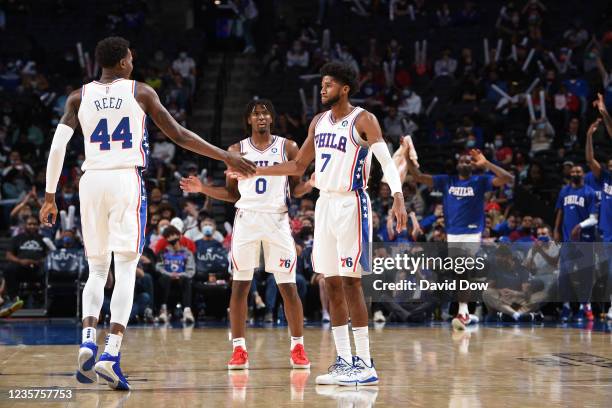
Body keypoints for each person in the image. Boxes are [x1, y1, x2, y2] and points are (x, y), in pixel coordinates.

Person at [38, 36, 256, 391]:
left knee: (96, 268)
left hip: (90, 181)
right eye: (131, 57)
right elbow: (181, 135)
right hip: (125, 179)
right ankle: (110, 353)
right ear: (124, 62)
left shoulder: (78, 96)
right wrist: (226, 156)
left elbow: (58, 146)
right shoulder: (141, 93)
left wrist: (49, 197)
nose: (133, 61)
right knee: (125, 269)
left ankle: (88, 338)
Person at [230, 62, 408, 386]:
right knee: (331, 282)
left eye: (328, 84)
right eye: (322, 84)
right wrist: (255, 170)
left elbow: (385, 159)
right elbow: (298, 164)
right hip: (324, 203)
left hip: (352, 202)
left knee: (353, 282)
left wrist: (398, 196)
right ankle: (342, 360)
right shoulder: (318, 122)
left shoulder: (363, 119)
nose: (323, 89)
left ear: (345, 88)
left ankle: (365, 362)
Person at [180, 99, 312, 370]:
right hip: (247, 220)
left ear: (272, 119)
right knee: (240, 286)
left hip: (277, 219)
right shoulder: (235, 150)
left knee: (288, 286)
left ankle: (297, 346)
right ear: (248, 120)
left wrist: (309, 185)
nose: (261, 117)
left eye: (265, 113)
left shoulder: (288, 147)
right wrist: (202, 188)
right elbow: (231, 194)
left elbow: (295, 189)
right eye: (255, 114)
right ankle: (239, 349)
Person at [405, 146, 515, 330]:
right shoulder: (447, 181)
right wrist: (407, 158)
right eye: (462, 161)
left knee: (463, 270)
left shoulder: (480, 180)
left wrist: (486, 163)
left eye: (468, 161)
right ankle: (466, 311)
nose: (465, 163)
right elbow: (418, 177)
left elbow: (508, 178)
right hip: (453, 232)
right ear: (457, 165)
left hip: (472, 231)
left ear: (473, 165)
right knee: (459, 273)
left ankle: (463, 312)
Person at [554, 164, 597, 323]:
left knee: (584, 276)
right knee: (564, 275)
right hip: (567, 240)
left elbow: (594, 218)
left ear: (583, 174)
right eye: (573, 171)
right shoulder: (564, 191)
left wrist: (580, 226)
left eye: (578, 171)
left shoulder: (590, 192)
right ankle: (566, 307)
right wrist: (556, 229)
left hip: (585, 240)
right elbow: (560, 211)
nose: (575, 173)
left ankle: (582, 308)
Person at [587, 97, 612, 318]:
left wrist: (604, 114)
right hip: (607, 230)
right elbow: (589, 159)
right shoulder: (605, 177)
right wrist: (588, 136)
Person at [156, 225, 196, 324]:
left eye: (173, 235)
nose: (171, 238)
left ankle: (187, 311)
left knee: (186, 279)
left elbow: (191, 270)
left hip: (182, 278)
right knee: (164, 279)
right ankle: (163, 310)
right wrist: (170, 274)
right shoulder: (163, 252)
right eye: (168, 236)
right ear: (166, 239)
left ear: (178, 235)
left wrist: (180, 275)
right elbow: (159, 267)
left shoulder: (187, 253)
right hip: (167, 278)